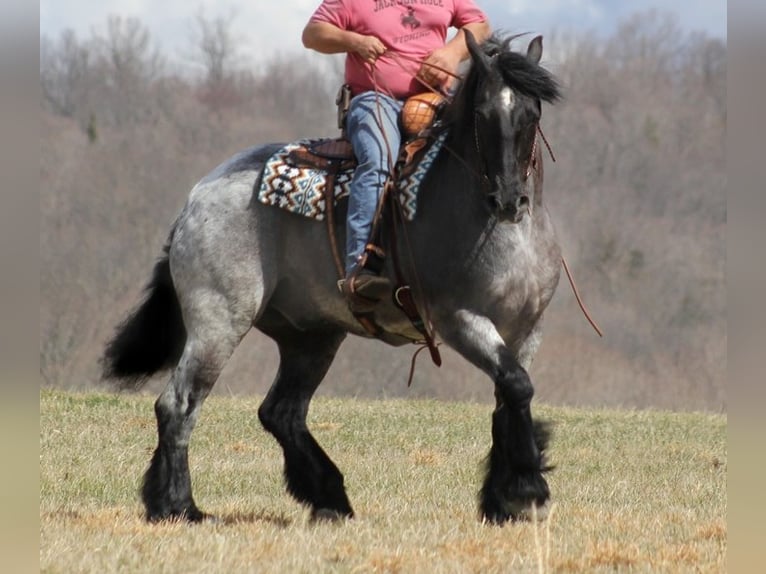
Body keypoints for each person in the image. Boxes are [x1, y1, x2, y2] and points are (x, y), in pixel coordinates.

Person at [302, 0, 491, 309]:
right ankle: (360, 269)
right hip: (375, 98)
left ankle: (480, 259)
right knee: (379, 160)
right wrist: (355, 41)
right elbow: (312, 34)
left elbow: (480, 26)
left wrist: (451, 53)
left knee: (475, 152)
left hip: (438, 100)